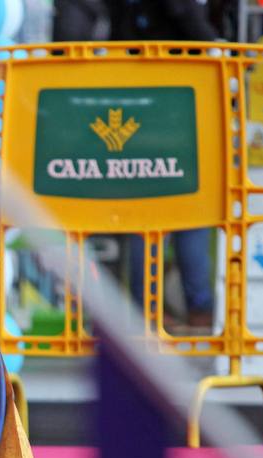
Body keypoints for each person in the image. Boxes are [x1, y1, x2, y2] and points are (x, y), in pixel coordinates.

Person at [105, 0, 221, 330]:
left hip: (141, 108)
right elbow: (196, 29)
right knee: (187, 211)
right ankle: (190, 307)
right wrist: (217, 47)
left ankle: (151, 309)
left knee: (151, 214)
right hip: (183, 107)